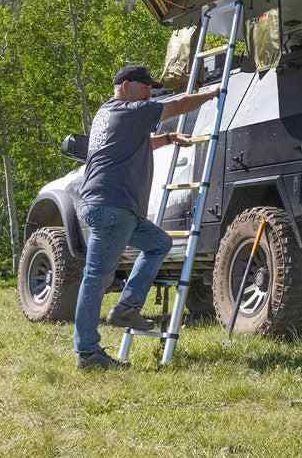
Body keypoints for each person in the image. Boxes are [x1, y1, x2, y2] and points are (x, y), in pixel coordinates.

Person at [73, 64, 220, 370]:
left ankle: (127, 306)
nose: (150, 93)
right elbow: (177, 105)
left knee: (158, 243)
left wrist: (166, 140)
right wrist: (210, 94)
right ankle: (87, 352)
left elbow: (130, 146)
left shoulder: (107, 114)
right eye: (145, 87)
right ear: (125, 84)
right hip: (114, 206)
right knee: (95, 279)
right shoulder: (132, 110)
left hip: (111, 206)